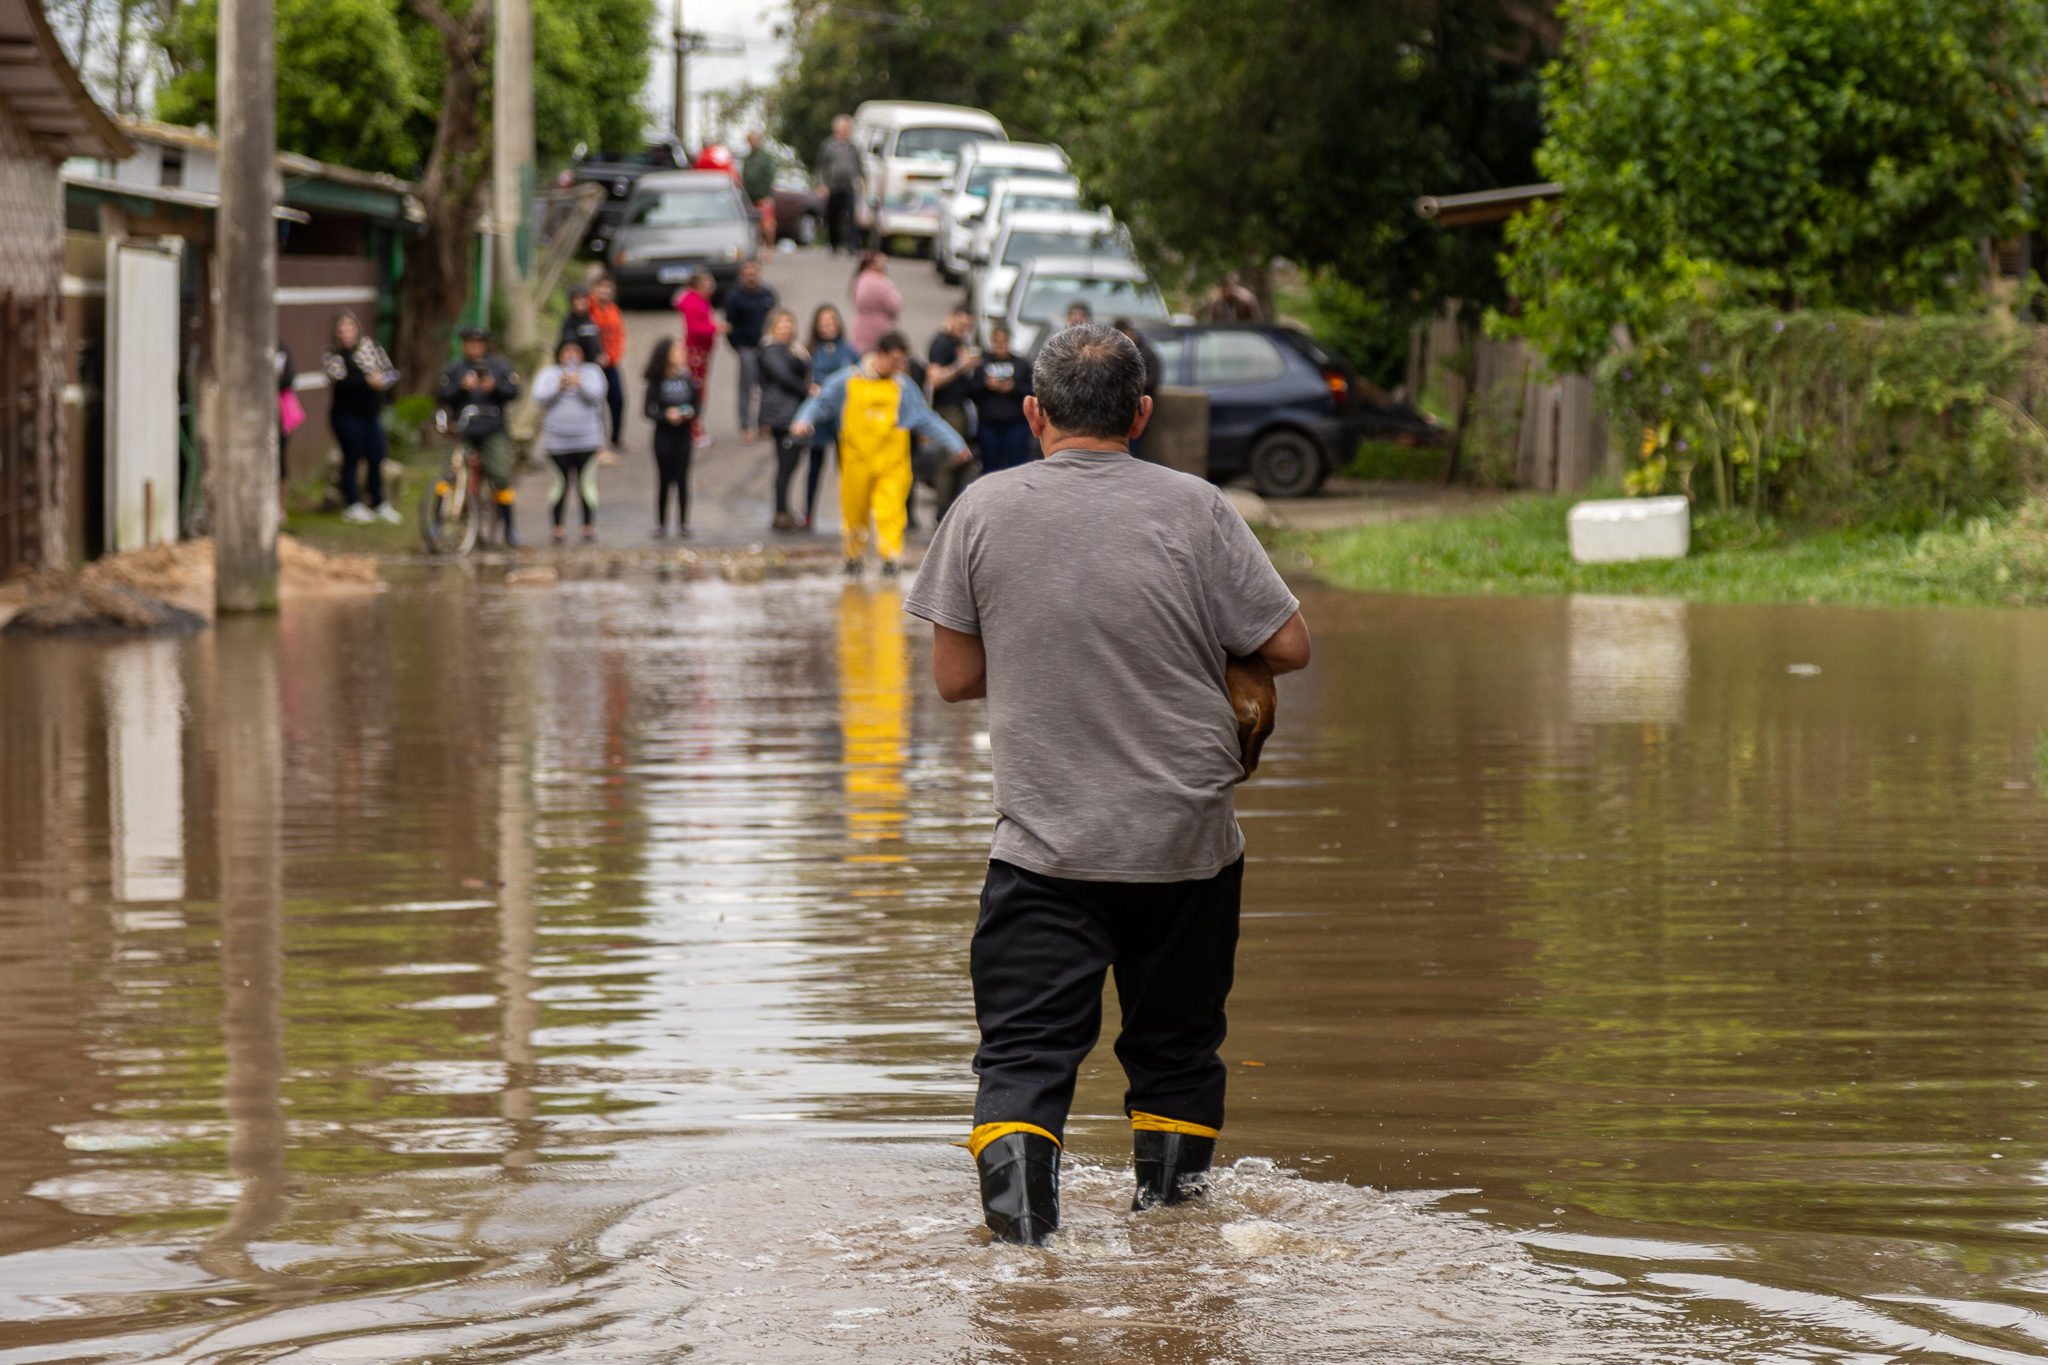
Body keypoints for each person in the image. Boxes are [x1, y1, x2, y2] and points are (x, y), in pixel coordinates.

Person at [903, 323, 1312, 1246]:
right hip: (1187, 848)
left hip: (1046, 848)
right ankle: (1169, 1250)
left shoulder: (980, 509)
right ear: (1141, 415)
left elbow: (956, 678)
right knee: (1175, 1057)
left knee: (1022, 1060)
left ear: (1033, 411)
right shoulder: (1198, 507)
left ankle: (1022, 1268)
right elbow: (1288, 645)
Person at [790, 330, 966, 577]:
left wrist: (956, 445)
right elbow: (821, 402)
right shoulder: (848, 380)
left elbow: (926, 419)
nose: (898, 366)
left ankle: (890, 559)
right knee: (854, 512)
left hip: (892, 465)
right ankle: (853, 559)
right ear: (880, 354)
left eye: (901, 361)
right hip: (856, 463)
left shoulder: (904, 387)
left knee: (891, 511)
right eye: (894, 360)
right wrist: (803, 420)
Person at [435, 325, 524, 545]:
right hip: (464, 430)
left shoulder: (499, 366)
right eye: (468, 343)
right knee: (448, 473)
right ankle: (436, 523)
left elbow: (514, 392)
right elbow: (443, 394)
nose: (473, 347)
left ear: (485, 344)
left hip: (492, 429)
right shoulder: (455, 368)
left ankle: (509, 529)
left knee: (501, 474)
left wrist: (494, 387)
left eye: (477, 343)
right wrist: (461, 388)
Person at [321, 310, 401, 524]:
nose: (346, 333)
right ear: (336, 333)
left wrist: (382, 380)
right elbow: (340, 381)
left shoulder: (369, 347)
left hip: (370, 414)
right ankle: (353, 503)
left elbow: (390, 371)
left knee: (377, 455)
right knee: (352, 457)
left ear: (357, 329)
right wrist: (367, 381)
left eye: (350, 327)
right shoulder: (334, 355)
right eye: (342, 329)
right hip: (346, 415)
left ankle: (378, 502)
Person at [533, 338, 609, 543]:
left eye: (575, 350)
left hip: (587, 440)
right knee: (559, 484)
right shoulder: (549, 374)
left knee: (586, 483)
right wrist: (558, 387)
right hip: (557, 441)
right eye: (566, 350)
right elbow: (538, 398)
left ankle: (588, 526)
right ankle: (558, 527)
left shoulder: (592, 372)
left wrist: (580, 384)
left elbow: (599, 395)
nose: (571, 355)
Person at [801, 304, 857, 530]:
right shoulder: (810, 351)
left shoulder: (848, 350)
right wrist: (809, 388)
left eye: (832, 321)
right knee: (815, 466)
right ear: (816, 326)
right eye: (823, 322)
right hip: (820, 418)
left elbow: (860, 375)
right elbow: (802, 378)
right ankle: (808, 515)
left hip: (844, 418)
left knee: (845, 469)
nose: (828, 326)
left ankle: (851, 516)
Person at [759, 310, 814, 530]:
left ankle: (784, 509)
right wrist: (808, 391)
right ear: (772, 327)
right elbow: (783, 377)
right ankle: (780, 512)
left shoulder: (794, 349)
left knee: (790, 464)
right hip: (781, 415)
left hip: (793, 411)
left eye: (789, 324)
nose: (786, 328)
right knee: (785, 464)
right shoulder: (771, 350)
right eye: (781, 324)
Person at [925, 307, 981, 521]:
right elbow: (935, 379)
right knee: (951, 459)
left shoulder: (960, 345)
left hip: (962, 408)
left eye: (967, 327)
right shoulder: (941, 343)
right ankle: (942, 513)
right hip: (947, 410)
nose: (963, 330)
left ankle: (953, 511)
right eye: (960, 325)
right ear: (950, 320)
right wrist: (961, 366)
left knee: (964, 460)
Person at [643, 337, 698, 538]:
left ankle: (684, 522)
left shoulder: (686, 379)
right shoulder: (656, 381)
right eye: (678, 352)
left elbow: (697, 404)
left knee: (683, 479)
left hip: (683, 435)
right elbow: (648, 410)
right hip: (663, 436)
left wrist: (690, 413)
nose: (682, 356)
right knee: (664, 480)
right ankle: (660, 523)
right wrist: (666, 415)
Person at [723, 258, 779, 442]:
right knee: (747, 388)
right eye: (747, 273)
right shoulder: (734, 297)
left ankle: (765, 422)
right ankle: (745, 425)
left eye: (754, 272)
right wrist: (738, 347)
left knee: (768, 385)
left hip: (766, 347)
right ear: (741, 275)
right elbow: (728, 326)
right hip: (746, 347)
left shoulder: (768, 294)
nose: (751, 276)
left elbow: (775, 318)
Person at [971, 325, 1035, 473]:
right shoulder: (982, 363)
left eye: (1003, 342)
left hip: (1015, 424)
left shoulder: (1021, 364)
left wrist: (1013, 387)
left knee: (1016, 467)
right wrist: (985, 385)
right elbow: (970, 391)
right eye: (997, 342)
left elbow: (1033, 392)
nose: (1000, 346)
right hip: (988, 424)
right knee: (990, 467)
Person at [674, 271, 723, 448]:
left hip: (702, 352)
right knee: (696, 390)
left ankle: (694, 426)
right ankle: (693, 428)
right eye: (708, 282)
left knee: (699, 388)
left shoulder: (699, 300)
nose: (712, 285)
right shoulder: (694, 303)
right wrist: (715, 327)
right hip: (696, 353)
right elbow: (694, 328)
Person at [1114, 317, 1164, 461]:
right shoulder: (1119, 352)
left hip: (1134, 410)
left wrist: (1130, 386)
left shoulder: (1146, 353)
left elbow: (1153, 380)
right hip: (1117, 415)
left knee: (1131, 454)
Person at [816, 114, 863, 254]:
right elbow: (820, 167)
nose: (845, 131)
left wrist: (861, 180)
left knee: (851, 217)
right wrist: (822, 184)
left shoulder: (853, 148)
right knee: (832, 216)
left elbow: (859, 166)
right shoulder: (828, 146)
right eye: (842, 128)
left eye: (847, 128)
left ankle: (852, 246)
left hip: (849, 187)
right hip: (832, 186)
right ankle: (834, 244)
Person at [591, 276, 629, 447]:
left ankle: (616, 438)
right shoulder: (589, 309)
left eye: (608, 288)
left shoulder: (614, 311)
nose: (605, 292)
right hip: (593, 365)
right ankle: (596, 441)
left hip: (611, 363)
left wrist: (612, 356)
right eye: (601, 288)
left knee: (618, 400)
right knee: (594, 403)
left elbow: (619, 337)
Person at [850, 251, 900, 355]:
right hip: (879, 328)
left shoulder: (861, 279)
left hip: (860, 326)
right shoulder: (881, 282)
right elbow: (894, 304)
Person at [742, 130, 779, 244]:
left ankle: (770, 248)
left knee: (767, 225)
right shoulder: (748, 159)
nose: (752, 143)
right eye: (749, 141)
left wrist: (766, 194)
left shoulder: (766, 158)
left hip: (763, 197)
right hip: (750, 197)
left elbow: (769, 176)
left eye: (753, 140)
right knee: (754, 225)